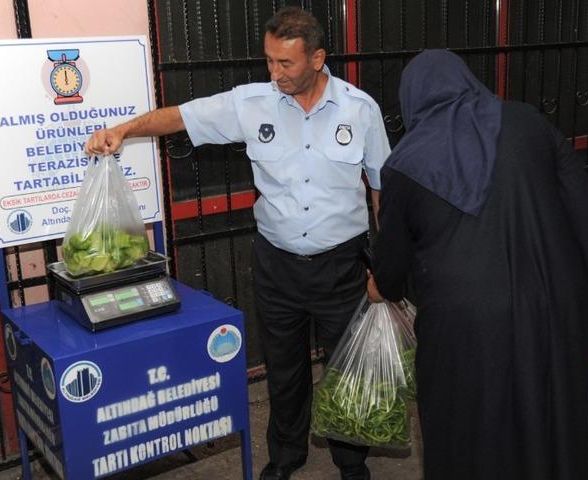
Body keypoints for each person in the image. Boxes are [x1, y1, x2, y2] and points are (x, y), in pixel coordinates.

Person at [86, 7, 389, 480]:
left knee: (348, 369)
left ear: (317, 59)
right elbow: (180, 116)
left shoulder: (360, 109)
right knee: (284, 372)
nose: (275, 73)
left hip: (341, 267)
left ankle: (352, 464)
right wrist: (123, 130)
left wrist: (384, 265)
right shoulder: (252, 103)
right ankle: (286, 458)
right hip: (277, 265)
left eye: (285, 63)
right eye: (269, 61)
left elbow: (380, 188)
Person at [366, 50, 588, 480]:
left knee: (470, 435)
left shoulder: (403, 164)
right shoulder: (530, 123)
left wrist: (380, 286)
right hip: (557, 310)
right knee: (553, 422)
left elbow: (392, 263)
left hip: (463, 330)